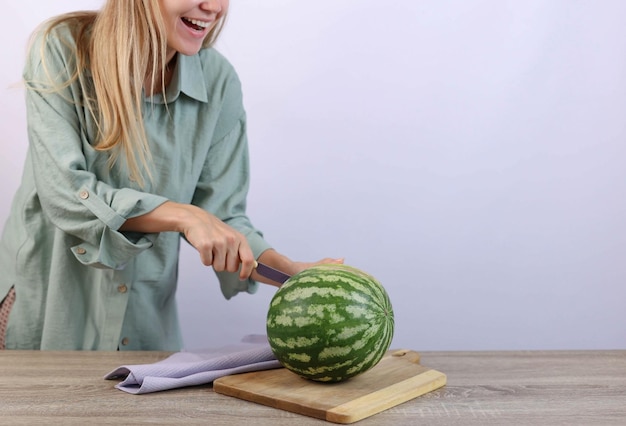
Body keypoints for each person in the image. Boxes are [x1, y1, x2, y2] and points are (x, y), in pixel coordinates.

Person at [0, 0, 342, 351]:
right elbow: (66, 194)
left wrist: (287, 271)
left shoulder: (219, 82)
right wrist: (184, 215)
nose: (213, 7)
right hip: (44, 314)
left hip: (143, 329)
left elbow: (223, 219)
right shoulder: (61, 48)